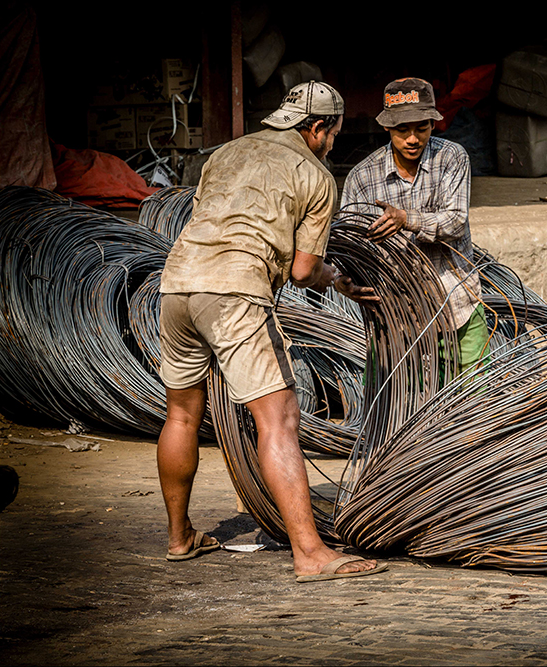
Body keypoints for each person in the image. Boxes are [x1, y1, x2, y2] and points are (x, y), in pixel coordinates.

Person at [156, 81, 386, 582]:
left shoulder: (225, 153)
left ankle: (179, 538)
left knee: (181, 414)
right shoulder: (316, 175)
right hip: (235, 290)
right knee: (278, 417)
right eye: (334, 133)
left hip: (176, 284)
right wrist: (338, 281)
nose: (332, 142)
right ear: (319, 128)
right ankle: (310, 552)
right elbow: (304, 271)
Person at [340, 77, 489, 379]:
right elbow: (348, 245)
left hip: (456, 301)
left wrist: (406, 219)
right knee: (395, 403)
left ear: (434, 124)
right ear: (386, 128)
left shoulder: (451, 158)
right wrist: (344, 279)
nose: (412, 139)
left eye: (421, 128)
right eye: (402, 130)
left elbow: (456, 221)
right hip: (395, 314)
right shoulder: (362, 178)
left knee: (473, 400)